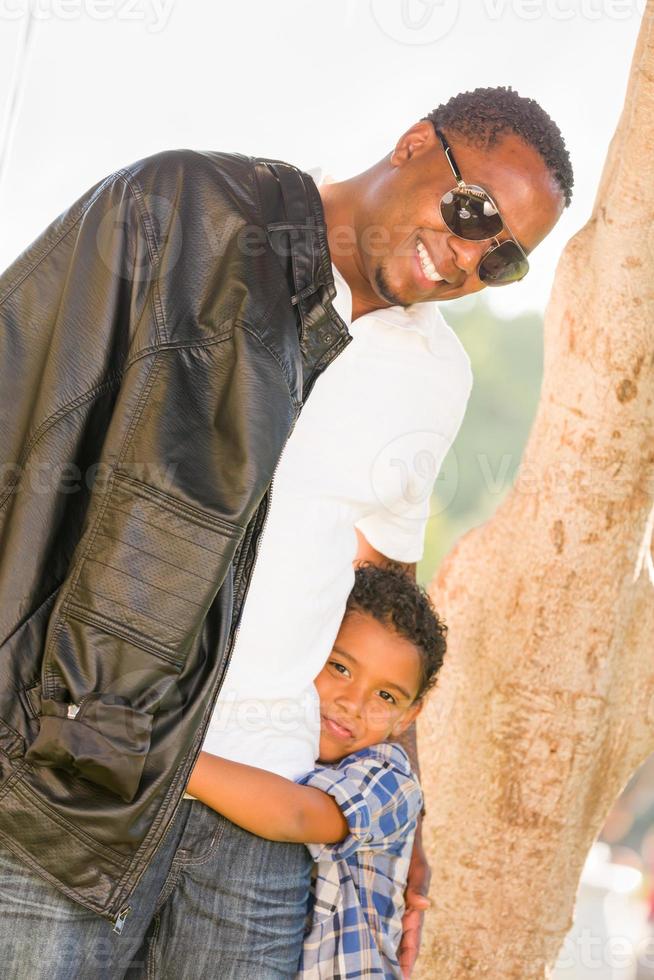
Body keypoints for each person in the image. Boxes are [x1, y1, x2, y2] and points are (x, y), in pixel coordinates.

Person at [0, 85, 573, 978]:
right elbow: (22, 416)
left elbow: (388, 590)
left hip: (271, 802)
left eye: (502, 261)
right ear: (417, 142)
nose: (468, 258)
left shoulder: (434, 375)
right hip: (81, 774)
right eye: (474, 213)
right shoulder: (185, 212)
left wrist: (404, 808)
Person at [185, 561, 448, 979]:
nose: (352, 703)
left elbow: (297, 814)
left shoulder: (391, 782)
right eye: (340, 668)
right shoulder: (285, 743)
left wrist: (164, 761)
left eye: (385, 695)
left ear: (409, 714)